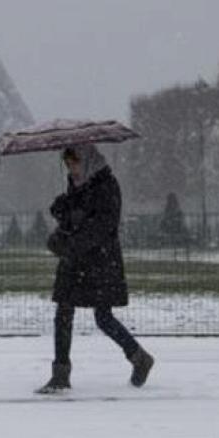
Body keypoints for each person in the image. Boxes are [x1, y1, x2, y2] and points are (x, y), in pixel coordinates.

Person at [35, 144, 154, 394]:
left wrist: (70, 243)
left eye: (74, 163)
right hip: (76, 260)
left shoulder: (107, 185)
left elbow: (101, 227)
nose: (71, 168)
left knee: (103, 317)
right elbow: (76, 221)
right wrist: (61, 213)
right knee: (64, 313)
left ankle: (139, 358)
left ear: (87, 160)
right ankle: (60, 374)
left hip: (99, 261)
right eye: (68, 164)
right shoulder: (77, 186)